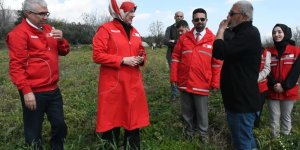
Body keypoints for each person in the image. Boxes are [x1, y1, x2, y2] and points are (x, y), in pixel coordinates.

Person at [6, 0, 70, 149]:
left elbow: (65, 51)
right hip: (34, 92)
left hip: (53, 89)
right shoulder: (18, 34)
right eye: (42, 13)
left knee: (60, 125)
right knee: (33, 131)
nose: (45, 17)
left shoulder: (49, 29)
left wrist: (61, 40)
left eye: (47, 13)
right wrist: (26, 91)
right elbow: (16, 67)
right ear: (28, 13)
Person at [92, 0, 150, 149]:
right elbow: (97, 55)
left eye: (133, 11)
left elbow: (140, 51)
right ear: (120, 11)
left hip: (133, 84)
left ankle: (132, 146)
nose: (133, 15)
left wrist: (141, 57)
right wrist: (123, 60)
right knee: (113, 119)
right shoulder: (105, 29)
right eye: (130, 11)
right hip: (114, 85)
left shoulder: (135, 31)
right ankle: (110, 146)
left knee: (133, 119)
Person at [212, 1, 262, 149]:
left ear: (244, 16)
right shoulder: (240, 33)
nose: (228, 17)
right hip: (239, 100)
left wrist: (221, 29)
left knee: (242, 144)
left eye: (232, 14)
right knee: (247, 140)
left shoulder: (249, 33)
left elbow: (219, 51)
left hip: (241, 103)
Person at [170, 8, 222, 142]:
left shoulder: (212, 39)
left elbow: (217, 63)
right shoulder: (184, 38)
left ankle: (203, 136)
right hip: (185, 81)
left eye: (202, 19)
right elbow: (175, 57)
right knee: (186, 110)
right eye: (196, 19)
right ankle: (189, 132)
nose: (199, 21)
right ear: (192, 21)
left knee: (202, 112)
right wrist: (174, 77)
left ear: (206, 20)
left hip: (202, 82)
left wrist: (215, 82)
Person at [266, 23, 300, 138]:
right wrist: (274, 84)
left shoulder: (296, 51)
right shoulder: (268, 52)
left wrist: (284, 86)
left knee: (286, 117)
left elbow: (296, 72)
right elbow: (265, 70)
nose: (276, 34)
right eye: (274, 32)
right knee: (274, 118)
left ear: (285, 33)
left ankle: (285, 142)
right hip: (272, 90)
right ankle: (275, 142)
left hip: (288, 91)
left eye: (279, 32)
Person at [164, 11, 184, 100]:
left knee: (183, 73)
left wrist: (174, 41)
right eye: (177, 16)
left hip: (183, 55)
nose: (179, 17)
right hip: (171, 55)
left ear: (183, 17)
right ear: (174, 17)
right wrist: (179, 43)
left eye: (181, 16)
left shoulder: (187, 28)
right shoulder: (169, 28)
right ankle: (175, 94)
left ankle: (183, 92)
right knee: (173, 74)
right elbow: (166, 41)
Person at [254, 49, 271, 128]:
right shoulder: (243, 48)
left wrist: (255, 78)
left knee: (257, 112)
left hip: (261, 88)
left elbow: (267, 68)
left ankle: (255, 131)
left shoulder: (266, 52)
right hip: (245, 88)